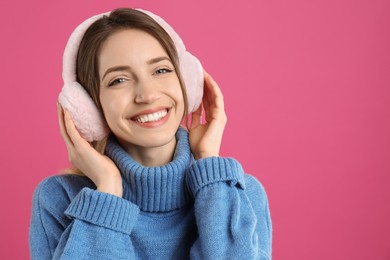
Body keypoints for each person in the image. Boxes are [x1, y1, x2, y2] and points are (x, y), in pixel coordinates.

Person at [29, 8, 272, 260]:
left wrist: (209, 163)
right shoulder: (59, 199)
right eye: (119, 80)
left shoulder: (239, 194)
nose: (147, 95)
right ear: (89, 106)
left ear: (186, 80)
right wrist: (108, 191)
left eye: (161, 71)